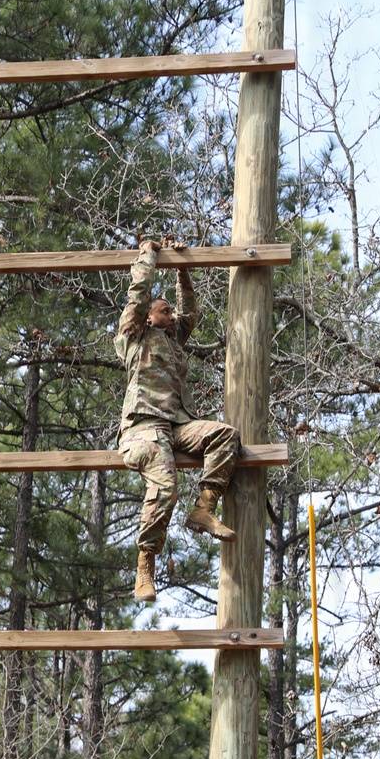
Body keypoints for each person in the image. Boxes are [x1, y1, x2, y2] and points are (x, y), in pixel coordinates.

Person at [115, 236, 239, 603]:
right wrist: (149, 254)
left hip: (177, 424)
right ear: (149, 317)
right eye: (163, 311)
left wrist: (183, 270)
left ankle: (203, 509)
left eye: (170, 312)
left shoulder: (172, 341)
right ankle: (145, 566)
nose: (171, 317)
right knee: (165, 486)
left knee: (225, 436)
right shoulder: (134, 337)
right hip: (144, 427)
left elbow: (191, 313)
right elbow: (137, 295)